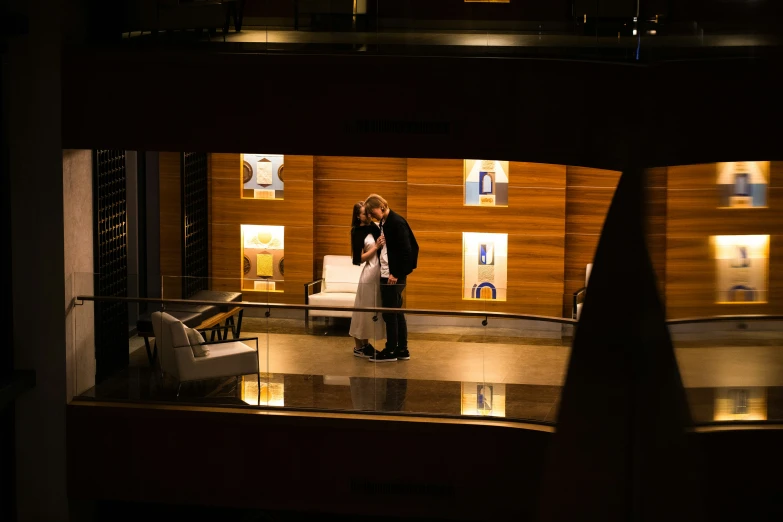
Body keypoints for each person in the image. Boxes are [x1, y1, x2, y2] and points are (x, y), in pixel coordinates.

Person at [363, 194, 419, 362]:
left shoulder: (396, 222)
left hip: (392, 276)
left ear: (379, 207)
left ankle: (391, 350)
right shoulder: (386, 223)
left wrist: (395, 273)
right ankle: (402, 349)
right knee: (396, 312)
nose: (372, 217)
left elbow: (406, 251)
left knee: (390, 313)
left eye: (372, 212)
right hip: (389, 274)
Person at [348, 202, 386, 358]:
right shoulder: (357, 232)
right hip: (369, 273)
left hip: (379, 272)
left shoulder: (374, 227)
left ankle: (365, 344)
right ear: (358, 216)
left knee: (373, 310)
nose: (369, 216)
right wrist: (375, 248)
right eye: (365, 213)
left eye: (369, 212)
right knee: (363, 310)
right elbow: (358, 259)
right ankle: (359, 346)